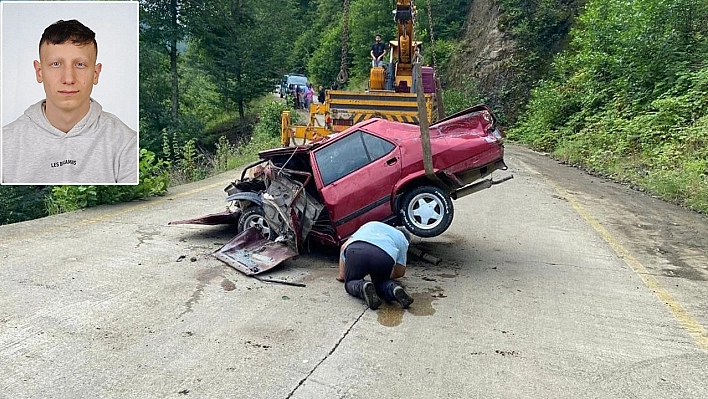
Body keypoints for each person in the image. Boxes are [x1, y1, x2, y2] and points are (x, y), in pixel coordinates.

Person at [1, 19, 138, 185]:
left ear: (95, 73)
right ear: (39, 72)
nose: (68, 78)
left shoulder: (126, 143)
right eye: (56, 64)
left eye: (80, 64)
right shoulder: (5, 144)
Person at [337, 221, 414, 310]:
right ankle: (393, 289)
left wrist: (342, 276)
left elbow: (343, 247)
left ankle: (363, 287)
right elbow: (399, 272)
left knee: (351, 282)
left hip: (356, 250)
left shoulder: (371, 224)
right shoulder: (403, 240)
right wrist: (383, 276)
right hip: (383, 255)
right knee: (381, 283)